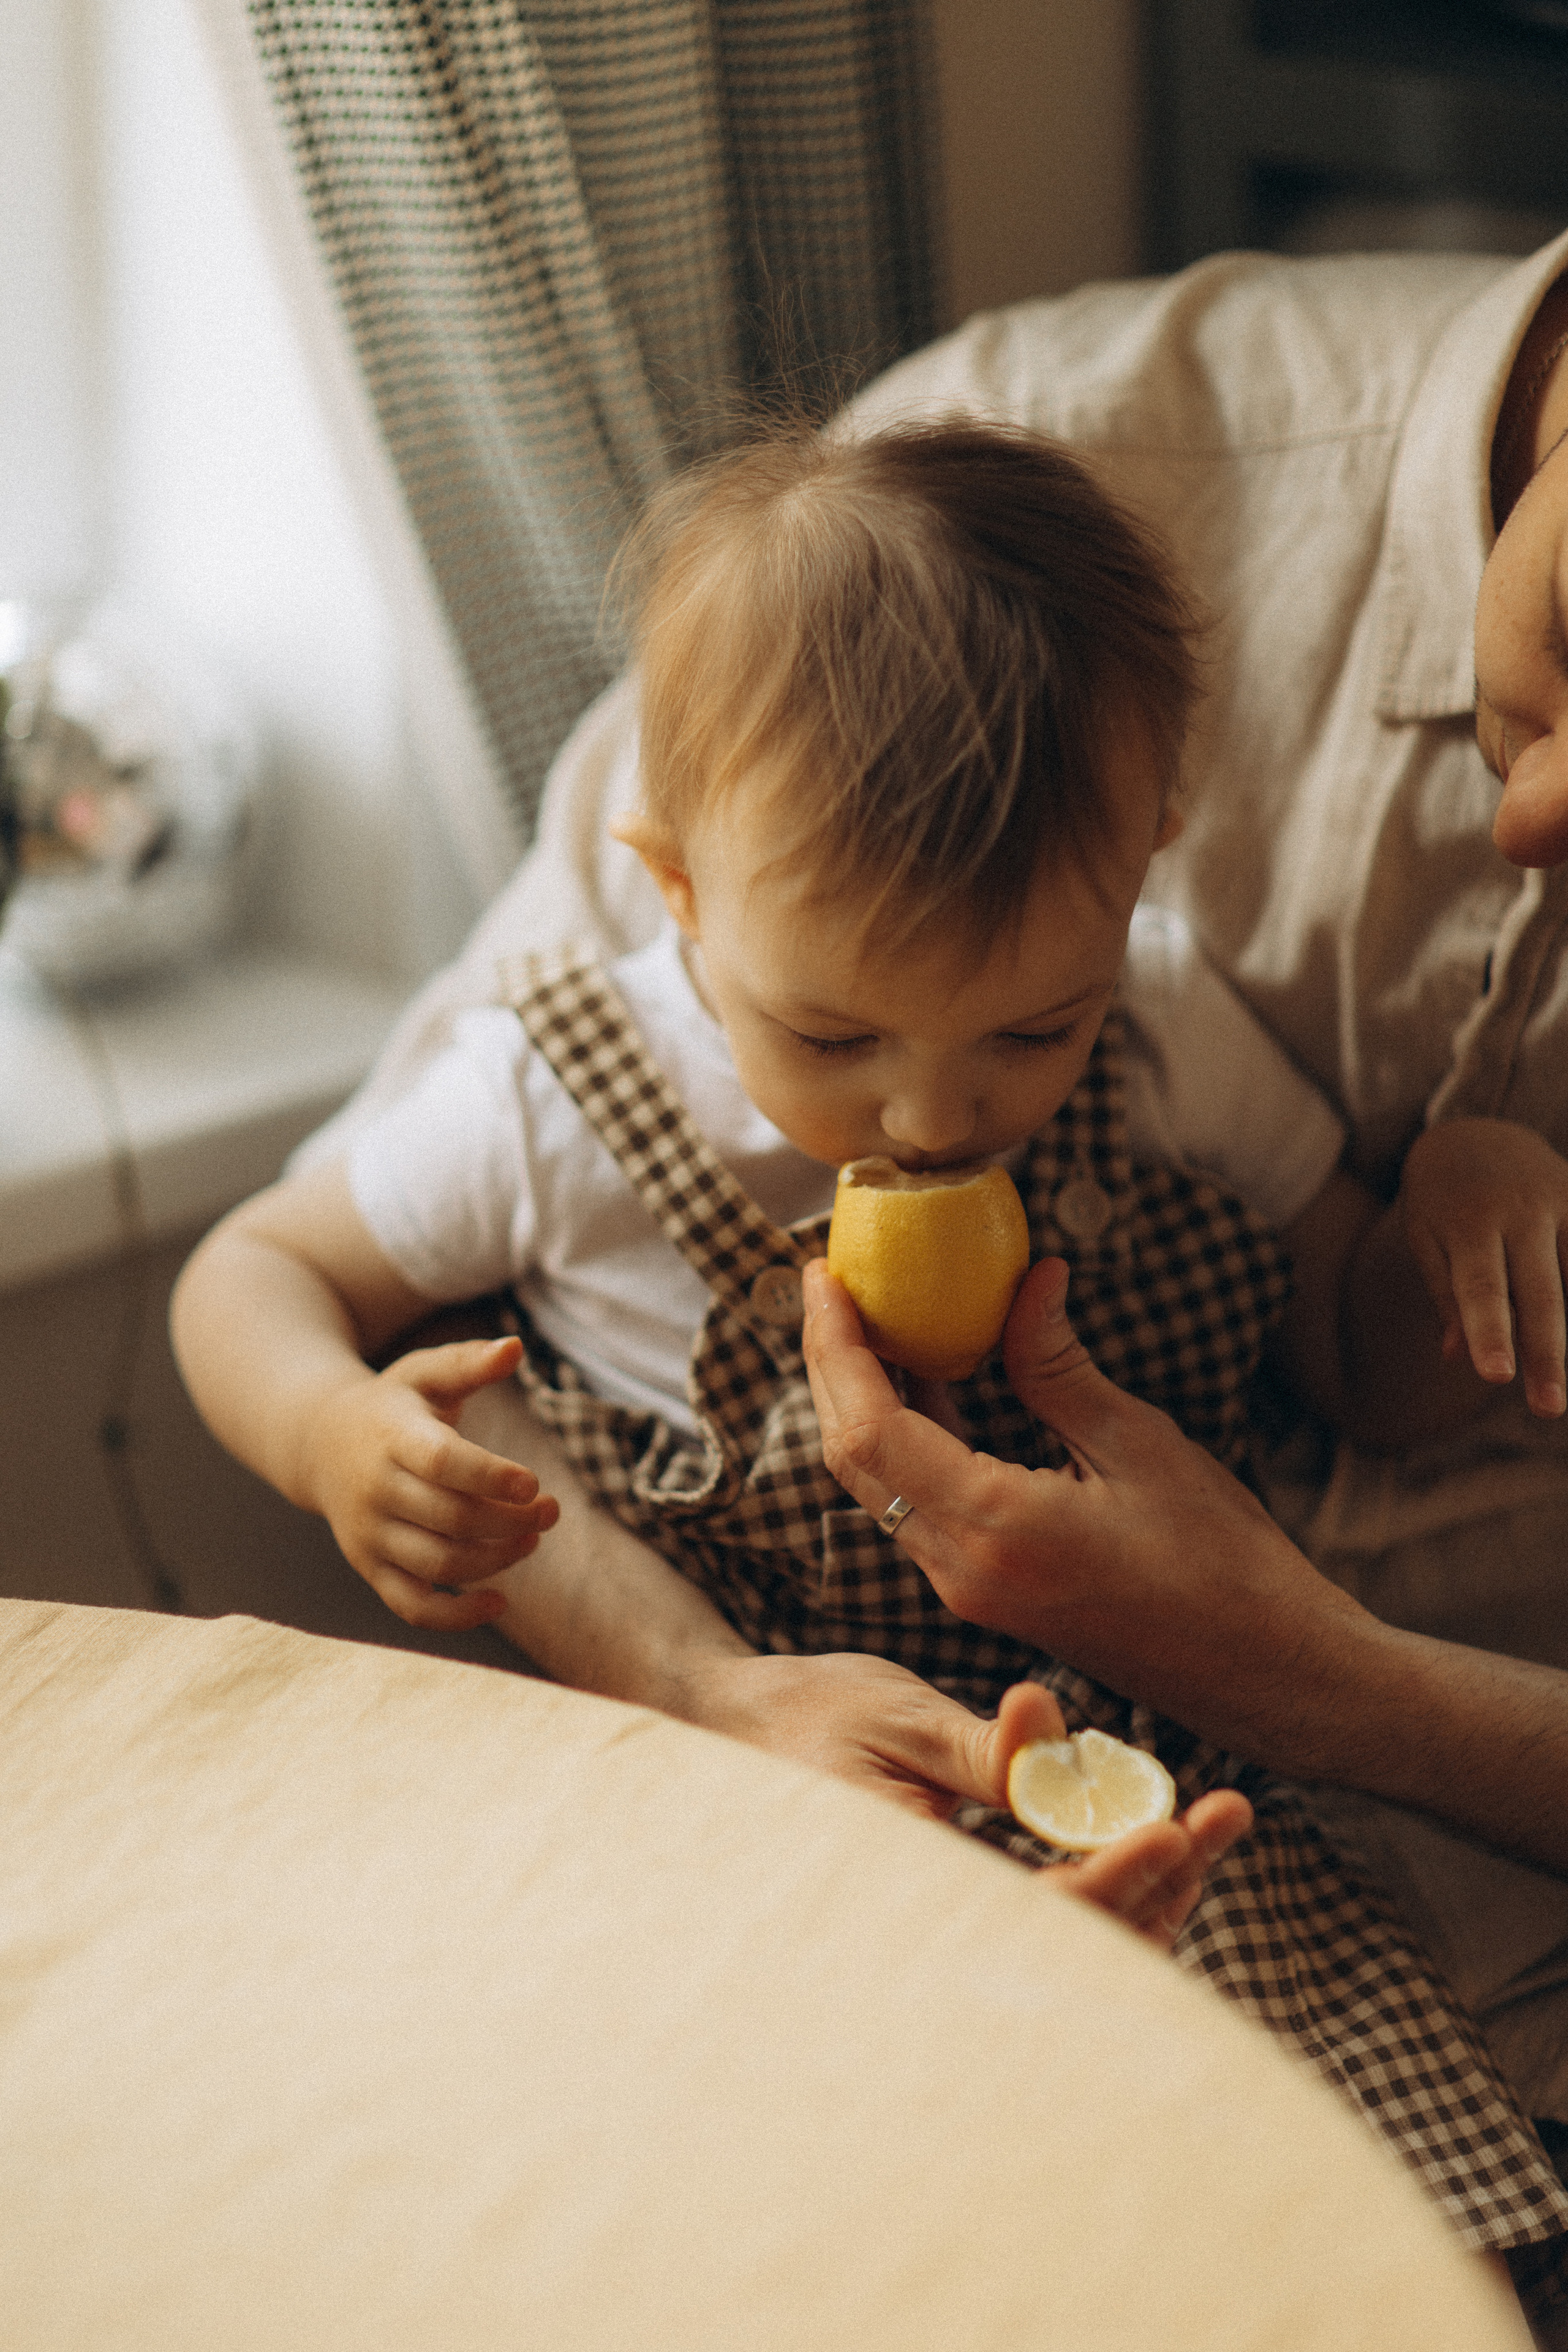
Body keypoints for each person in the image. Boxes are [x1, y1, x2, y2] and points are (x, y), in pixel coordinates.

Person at [174, 418, 1568, 2285]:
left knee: (1309, 2253)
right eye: (832, 1039)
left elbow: (1353, 1367)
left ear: (1138, 876)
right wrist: (332, 1432)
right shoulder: (556, 1097)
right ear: (677, 887)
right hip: (735, 1815)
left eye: (1031, 1031)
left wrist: (1461, 1219)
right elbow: (252, 1271)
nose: (930, 1114)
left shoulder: (1163, 1025)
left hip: (1161, 1819)